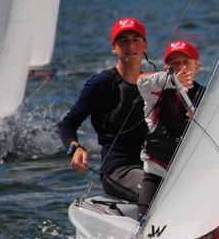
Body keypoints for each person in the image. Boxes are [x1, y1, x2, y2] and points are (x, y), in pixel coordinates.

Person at [57, 17, 151, 202]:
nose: (130, 45)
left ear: (145, 46)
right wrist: (75, 148)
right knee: (154, 192)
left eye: (135, 39)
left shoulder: (153, 84)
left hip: (152, 165)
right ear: (114, 48)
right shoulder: (101, 84)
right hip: (118, 168)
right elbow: (67, 123)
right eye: (123, 41)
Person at [136, 40, 207, 218]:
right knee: (144, 223)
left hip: (189, 178)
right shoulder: (156, 91)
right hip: (156, 173)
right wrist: (173, 80)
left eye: (186, 62)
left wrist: (205, 117)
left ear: (196, 67)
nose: (181, 67)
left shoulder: (208, 98)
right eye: (175, 63)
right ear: (167, 67)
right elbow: (141, 82)